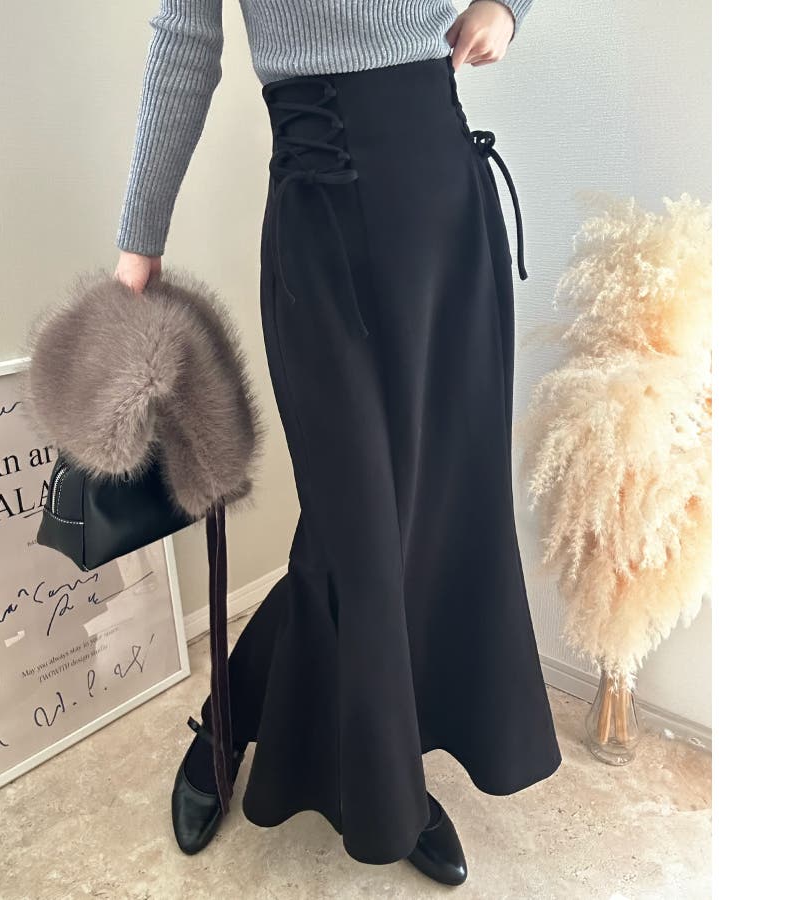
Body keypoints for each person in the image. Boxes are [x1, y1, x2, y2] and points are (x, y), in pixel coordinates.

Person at [114, 0, 561, 887]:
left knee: (432, 517)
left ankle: (357, 764)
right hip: (321, 221)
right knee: (355, 532)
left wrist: (508, 5)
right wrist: (140, 239)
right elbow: (186, 40)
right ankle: (272, 735)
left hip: (445, 213)